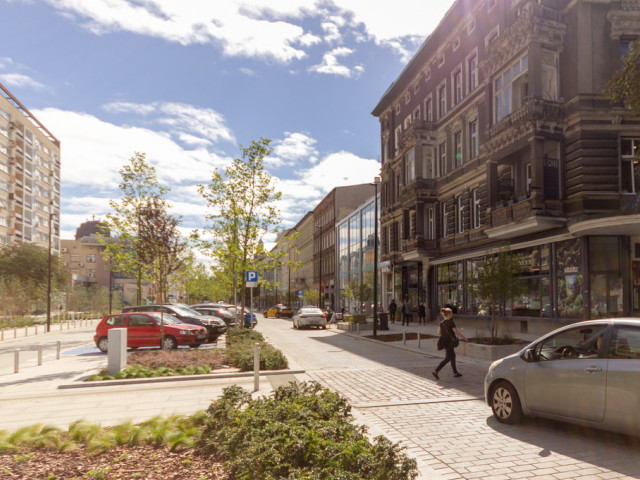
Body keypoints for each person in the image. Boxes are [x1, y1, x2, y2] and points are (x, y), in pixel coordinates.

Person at [432, 307, 468, 379]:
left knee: (453, 356)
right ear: (448, 314)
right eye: (451, 313)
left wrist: (444, 334)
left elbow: (438, 333)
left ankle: (455, 372)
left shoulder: (441, 323)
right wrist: (464, 337)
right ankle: (436, 370)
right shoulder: (451, 322)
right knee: (448, 358)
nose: (452, 314)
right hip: (450, 343)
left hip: (444, 342)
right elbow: (456, 332)